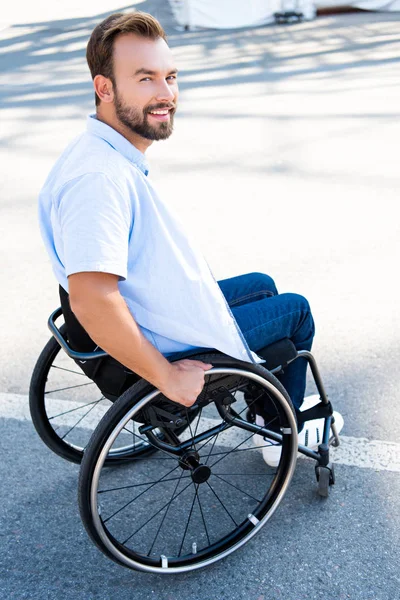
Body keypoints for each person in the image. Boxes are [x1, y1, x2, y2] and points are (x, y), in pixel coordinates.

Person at [38, 11, 343, 466]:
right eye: (145, 79)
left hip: (158, 310)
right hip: (168, 339)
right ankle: (278, 429)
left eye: (170, 76)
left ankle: (264, 406)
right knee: (295, 311)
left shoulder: (98, 151)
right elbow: (92, 299)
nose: (166, 94)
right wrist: (166, 376)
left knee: (262, 282)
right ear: (105, 88)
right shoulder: (98, 180)